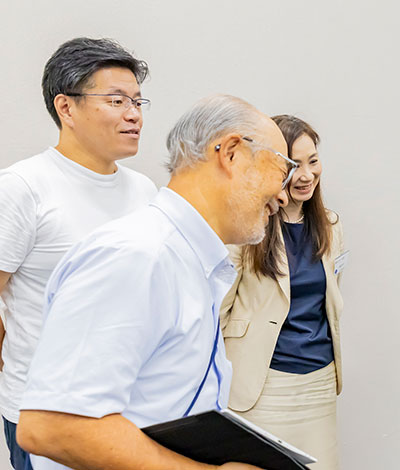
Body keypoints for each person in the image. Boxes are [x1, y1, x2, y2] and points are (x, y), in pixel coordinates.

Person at [16, 94, 292, 470]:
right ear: (232, 153)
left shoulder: (186, 259)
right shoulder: (138, 257)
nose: (282, 194)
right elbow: (52, 426)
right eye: (281, 171)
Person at [0, 37, 157, 470]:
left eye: (138, 101)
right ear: (66, 108)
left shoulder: (144, 190)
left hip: (129, 406)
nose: (134, 114)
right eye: (116, 100)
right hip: (46, 415)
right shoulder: (22, 187)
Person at [221, 115, 345, 470]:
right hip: (261, 385)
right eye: (294, 165)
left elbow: (329, 300)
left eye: (313, 161)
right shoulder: (243, 227)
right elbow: (218, 309)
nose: (306, 175)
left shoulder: (332, 226)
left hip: (319, 383)